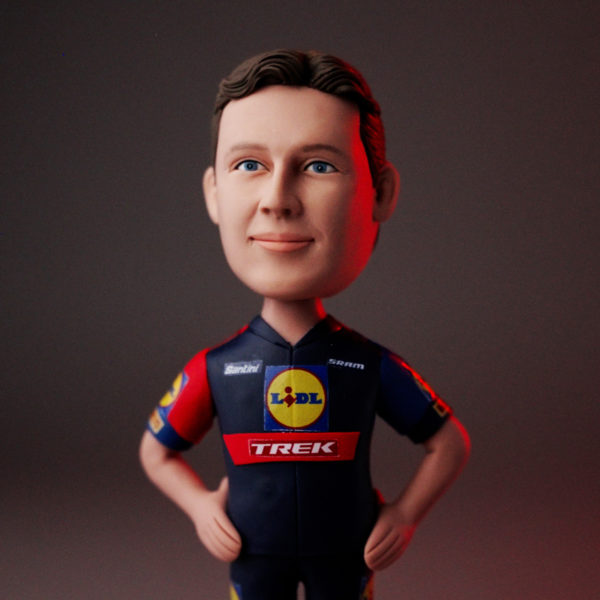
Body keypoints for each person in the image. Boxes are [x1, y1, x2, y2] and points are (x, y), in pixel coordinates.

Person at [139, 49, 470, 600]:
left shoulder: (366, 364)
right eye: (250, 165)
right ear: (213, 193)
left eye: (319, 166)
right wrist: (200, 508)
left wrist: (405, 516)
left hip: (346, 554)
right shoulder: (216, 368)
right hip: (254, 555)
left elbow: (449, 442)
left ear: (381, 193)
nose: (277, 201)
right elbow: (157, 452)